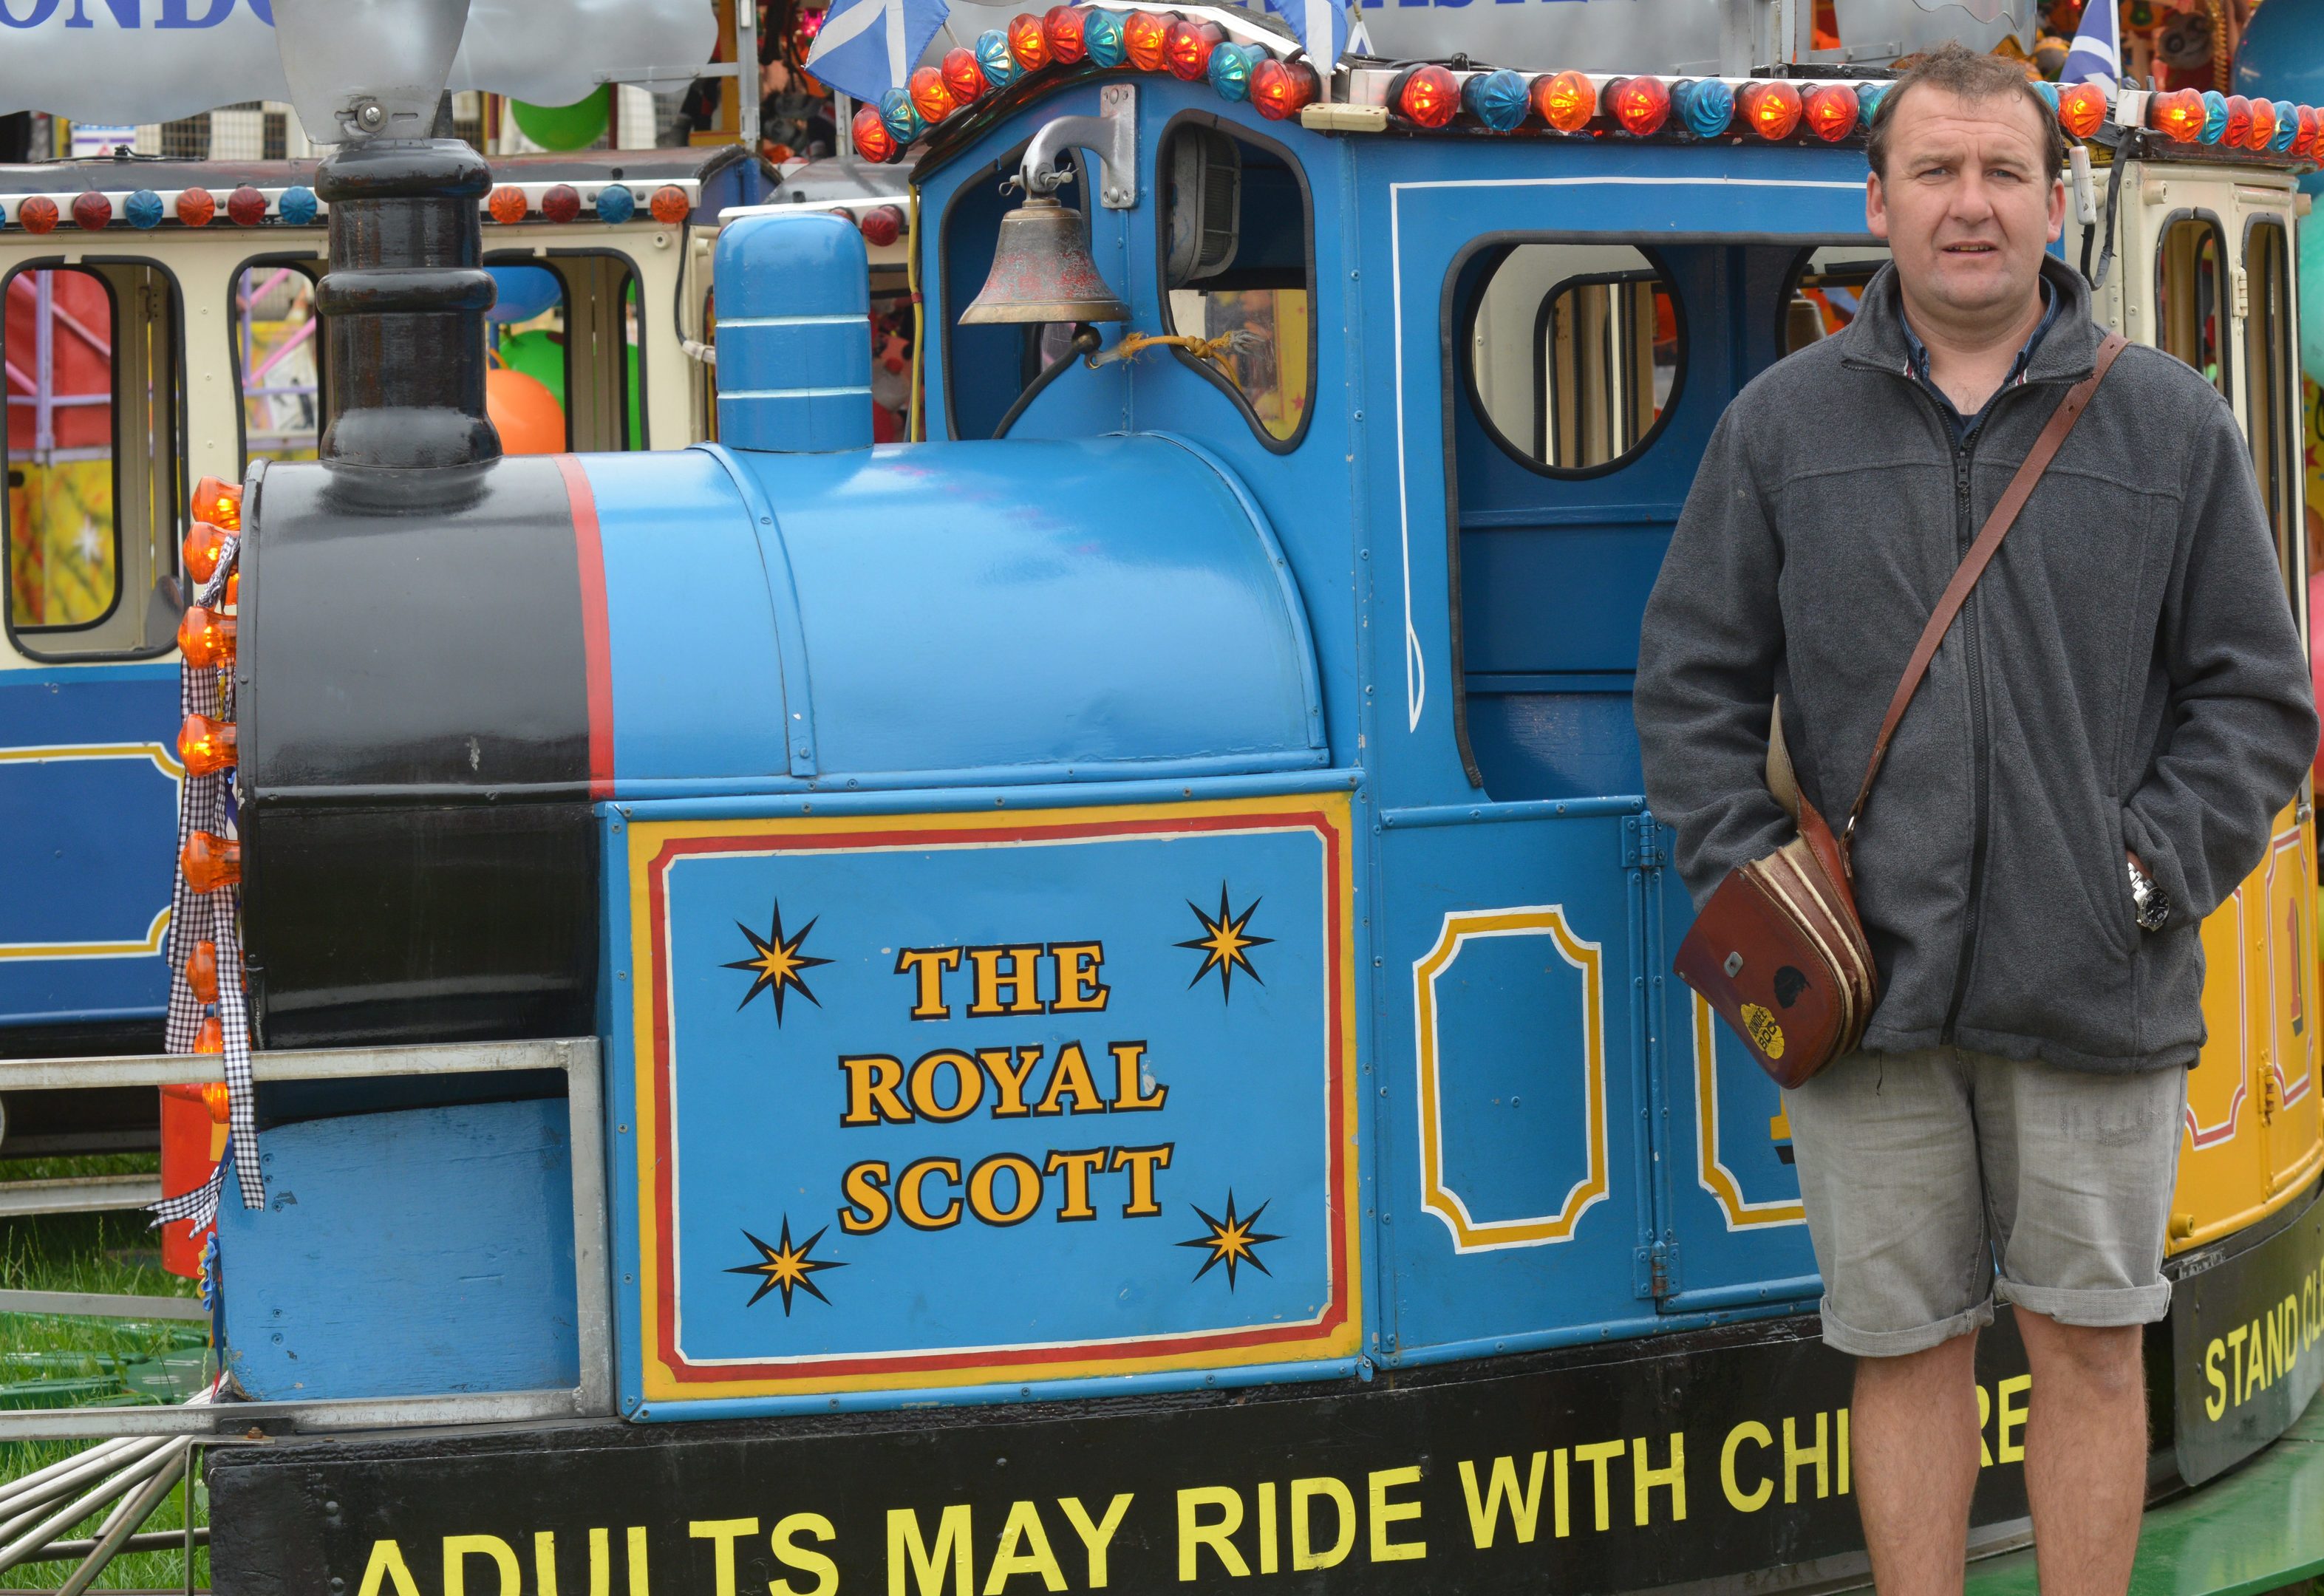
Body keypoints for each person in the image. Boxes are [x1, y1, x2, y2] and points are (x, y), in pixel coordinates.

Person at [1634, 43, 2317, 1595]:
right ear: (1873, 201)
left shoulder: (2168, 426)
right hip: (1866, 996)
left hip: (2093, 982)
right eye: (1934, 172)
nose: (1968, 206)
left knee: (2088, 1349)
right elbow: (1687, 684)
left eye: (2003, 173)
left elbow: (2254, 699)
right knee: (1902, 1351)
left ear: (2056, 204)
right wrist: (1760, 887)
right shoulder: (1779, 432)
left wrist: (2138, 877)